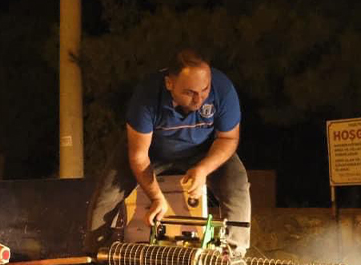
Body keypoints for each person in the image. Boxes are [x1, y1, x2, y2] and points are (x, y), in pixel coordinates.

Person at [85, 49, 250, 254]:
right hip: (152, 152)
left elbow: (228, 138)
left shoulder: (223, 89)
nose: (199, 100)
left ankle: (233, 254)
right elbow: (138, 155)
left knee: (236, 178)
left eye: (204, 90)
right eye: (189, 93)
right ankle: (97, 252)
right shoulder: (146, 98)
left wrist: (203, 169)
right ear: (170, 84)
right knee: (108, 190)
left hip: (202, 150)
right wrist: (156, 197)